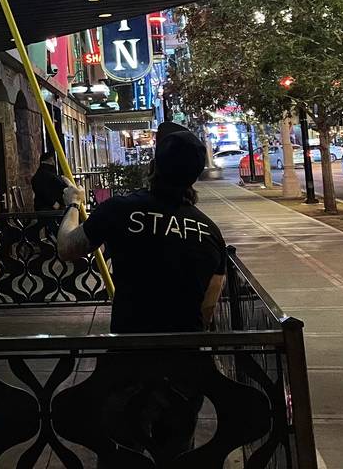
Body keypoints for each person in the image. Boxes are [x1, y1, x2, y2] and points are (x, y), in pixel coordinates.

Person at [57, 125, 226, 332]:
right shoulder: (211, 233)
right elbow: (208, 308)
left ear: (153, 167)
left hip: (130, 351)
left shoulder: (119, 209)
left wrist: (74, 203)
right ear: (195, 176)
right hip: (188, 353)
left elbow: (66, 247)